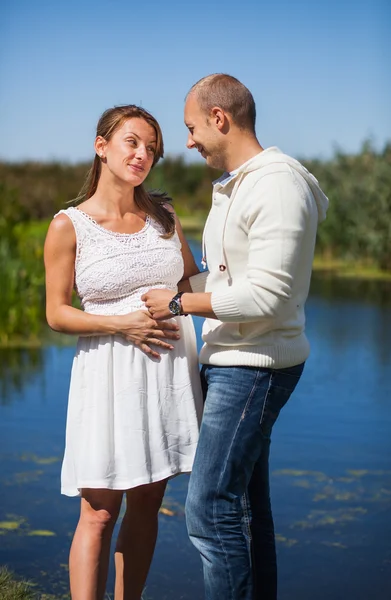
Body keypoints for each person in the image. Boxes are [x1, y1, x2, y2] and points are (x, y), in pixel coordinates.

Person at [142, 74, 329, 600]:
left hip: (255, 365)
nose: (189, 140)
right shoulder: (237, 185)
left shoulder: (277, 184)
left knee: (208, 507)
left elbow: (269, 297)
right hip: (233, 359)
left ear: (219, 119)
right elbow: (231, 279)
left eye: (192, 127)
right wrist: (179, 284)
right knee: (245, 509)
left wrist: (181, 304)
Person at [44, 104, 203, 600]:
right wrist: (121, 325)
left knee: (149, 499)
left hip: (167, 377)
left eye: (151, 148)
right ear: (102, 146)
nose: (142, 155)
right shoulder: (69, 225)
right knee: (98, 510)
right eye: (132, 142)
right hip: (107, 376)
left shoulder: (165, 215)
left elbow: (187, 281)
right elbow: (57, 313)